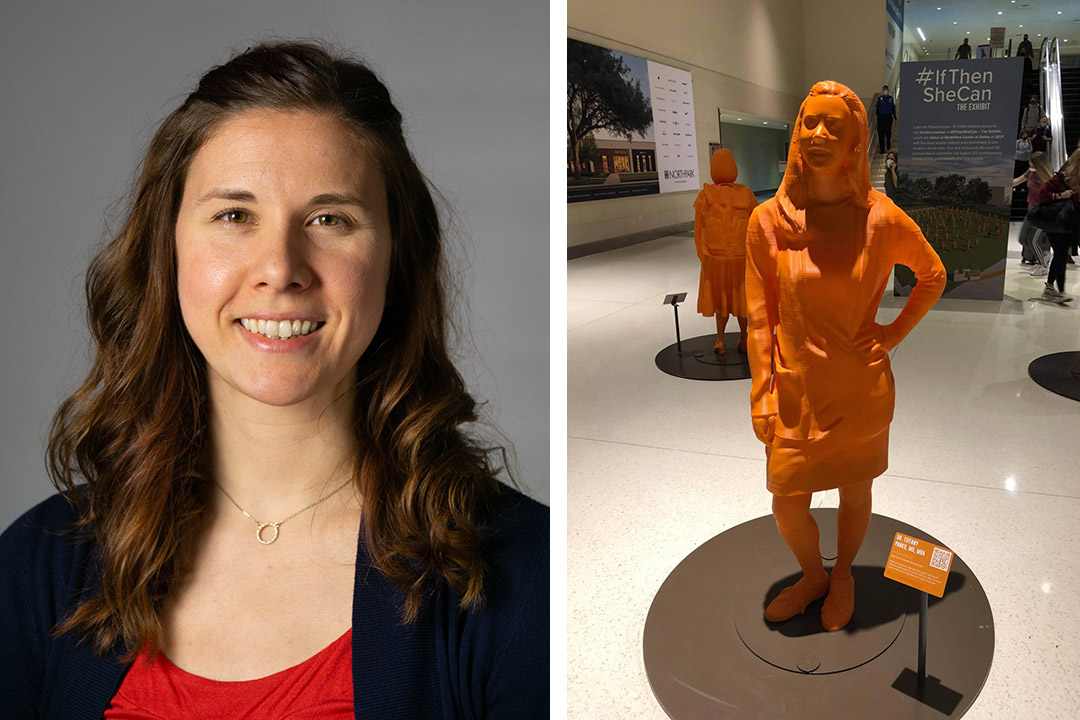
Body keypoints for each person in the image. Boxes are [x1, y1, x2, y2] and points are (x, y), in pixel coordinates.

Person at [0, 42, 548, 718]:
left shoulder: (524, 579)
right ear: (167, 250)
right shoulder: (36, 565)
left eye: (329, 220)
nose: (280, 267)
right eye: (234, 216)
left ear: (395, 259)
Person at [745, 81, 946, 632]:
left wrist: (891, 333)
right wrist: (760, 392)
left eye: (834, 127)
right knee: (787, 502)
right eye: (810, 122)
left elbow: (933, 275)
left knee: (855, 490)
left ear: (858, 144)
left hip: (859, 390)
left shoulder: (880, 219)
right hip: (793, 391)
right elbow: (760, 318)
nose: (818, 135)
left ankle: (846, 575)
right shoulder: (767, 222)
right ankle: (812, 575)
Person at [693, 148, 758, 354]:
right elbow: (756, 227)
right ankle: (743, 337)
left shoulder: (706, 195)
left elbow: (698, 230)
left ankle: (720, 341)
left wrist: (703, 255)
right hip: (741, 258)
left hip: (716, 258)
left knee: (720, 299)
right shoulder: (746, 195)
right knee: (742, 299)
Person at [1034, 148, 1080, 299]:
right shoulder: (1060, 178)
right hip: (1057, 222)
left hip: (1070, 225)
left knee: (1060, 255)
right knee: (1060, 255)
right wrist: (1060, 195)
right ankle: (1056, 290)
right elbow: (1043, 196)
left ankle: (1053, 288)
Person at [1013, 151, 1053, 275]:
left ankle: (1043, 265)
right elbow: (1017, 181)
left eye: (1031, 161)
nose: (1029, 163)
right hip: (1031, 211)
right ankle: (1044, 255)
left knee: (1032, 240)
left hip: (1042, 213)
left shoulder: (1046, 178)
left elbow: (1050, 196)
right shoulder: (1031, 172)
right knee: (1023, 239)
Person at [875, 85, 897, 155]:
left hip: (888, 117)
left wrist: (895, 117)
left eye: (886, 89)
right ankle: (882, 149)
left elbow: (893, 108)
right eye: (884, 89)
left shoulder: (890, 99)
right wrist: (877, 116)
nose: (885, 91)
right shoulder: (880, 99)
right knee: (881, 134)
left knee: (888, 131)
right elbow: (877, 109)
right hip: (881, 117)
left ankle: (888, 142)